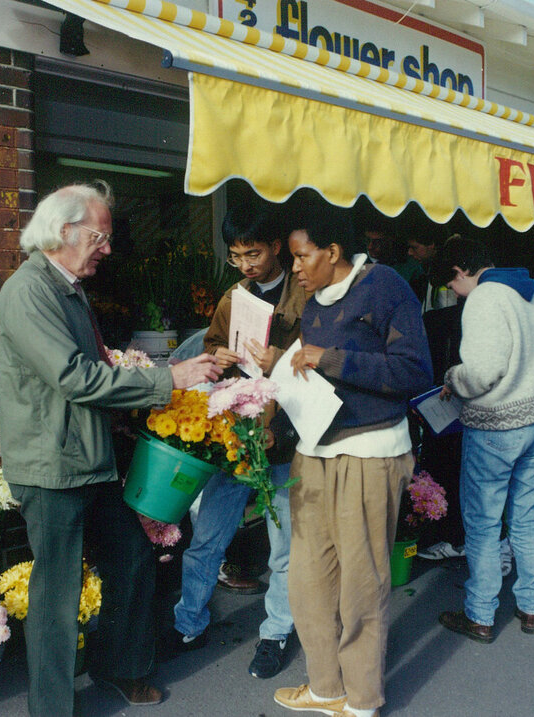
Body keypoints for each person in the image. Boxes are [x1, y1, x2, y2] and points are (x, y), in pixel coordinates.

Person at [0, 181, 221, 716]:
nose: (108, 248)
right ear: (64, 230)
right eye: (100, 235)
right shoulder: (30, 291)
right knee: (57, 596)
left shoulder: (66, 288)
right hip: (52, 470)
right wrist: (171, 379)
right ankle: (51, 709)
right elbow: (75, 378)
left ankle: (118, 668)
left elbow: (93, 372)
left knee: (135, 560)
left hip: (85, 462)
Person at [273, 206, 432, 717]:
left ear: (333, 252)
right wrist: (277, 363)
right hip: (314, 451)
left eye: (302, 256)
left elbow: (412, 371)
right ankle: (325, 688)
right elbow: (313, 362)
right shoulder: (313, 299)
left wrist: (328, 358)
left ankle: (361, 701)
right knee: (308, 578)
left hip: (368, 453)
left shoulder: (384, 286)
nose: (295, 268)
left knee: (362, 583)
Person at [164, 203, 305, 680]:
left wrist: (279, 358)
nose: (246, 263)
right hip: (235, 436)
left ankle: (276, 633)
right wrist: (218, 354)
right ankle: (189, 623)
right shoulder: (233, 294)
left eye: (254, 253)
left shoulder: (305, 296)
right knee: (207, 538)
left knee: (284, 544)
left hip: (282, 437)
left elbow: (317, 365)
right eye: (237, 255)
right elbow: (210, 347)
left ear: (277, 247)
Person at [432, 235, 534, 642]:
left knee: (484, 526)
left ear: (461, 270)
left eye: (452, 284)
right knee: (526, 519)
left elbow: (482, 372)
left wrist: (453, 376)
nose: (454, 292)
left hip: (497, 427)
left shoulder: (486, 298)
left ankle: (481, 615)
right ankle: (530, 608)